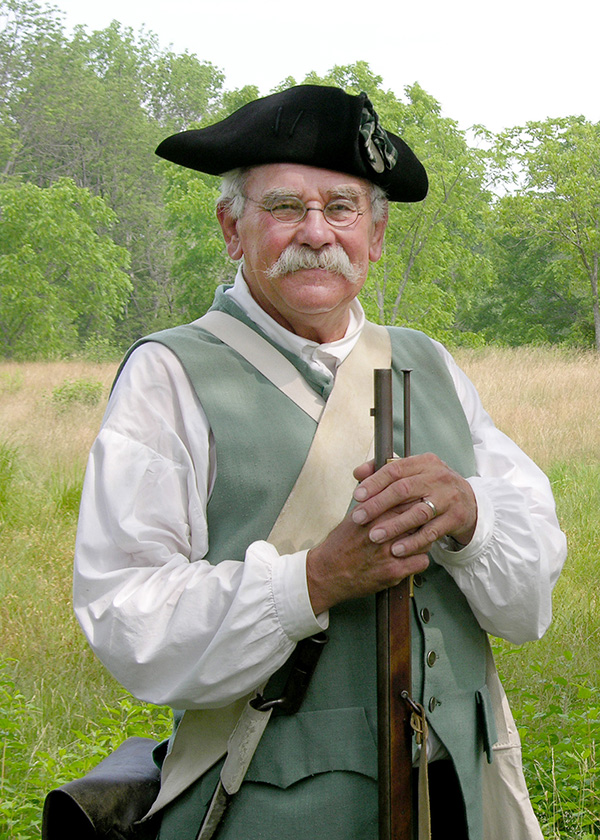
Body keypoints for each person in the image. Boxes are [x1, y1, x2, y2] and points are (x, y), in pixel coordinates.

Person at [73, 85, 566, 840]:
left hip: (459, 798)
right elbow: (127, 616)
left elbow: (528, 605)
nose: (316, 231)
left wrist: (472, 517)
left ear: (376, 234)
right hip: (271, 806)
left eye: (341, 208)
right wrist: (314, 579)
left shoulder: (428, 364)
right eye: (284, 208)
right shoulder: (168, 374)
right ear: (232, 230)